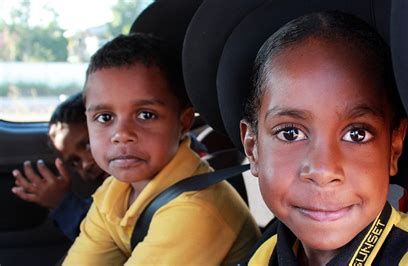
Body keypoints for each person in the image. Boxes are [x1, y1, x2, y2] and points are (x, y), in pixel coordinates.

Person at [237, 11, 408, 264]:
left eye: (357, 134)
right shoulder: (266, 255)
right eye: (291, 133)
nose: (323, 170)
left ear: (394, 147)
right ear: (253, 149)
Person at [63, 33, 260, 265]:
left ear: (184, 122)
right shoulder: (115, 191)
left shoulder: (195, 210)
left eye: (146, 115)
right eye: (104, 117)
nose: (121, 134)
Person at [11, 92, 109, 241]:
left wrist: (63, 203)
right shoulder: (106, 195)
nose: (86, 164)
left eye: (88, 145)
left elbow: (103, 241)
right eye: (74, 162)